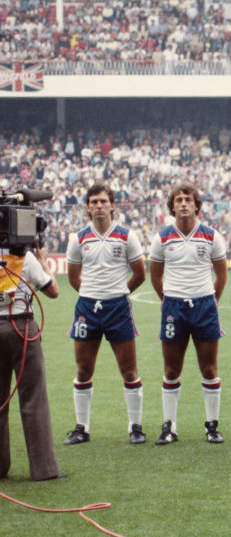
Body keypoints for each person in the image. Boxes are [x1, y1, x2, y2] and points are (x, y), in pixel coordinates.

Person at [62, 183, 148, 446]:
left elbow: (140, 274)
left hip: (118, 309)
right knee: (84, 368)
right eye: (93, 202)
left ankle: (135, 427)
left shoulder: (126, 236)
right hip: (87, 309)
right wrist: (92, 294)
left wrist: (118, 293)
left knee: (129, 371)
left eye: (103, 201)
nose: (99, 206)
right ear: (87, 207)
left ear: (113, 205)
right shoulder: (78, 239)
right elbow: (74, 278)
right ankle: (82, 428)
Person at [148, 183, 228, 444]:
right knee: (171, 370)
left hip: (204, 306)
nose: (183, 203)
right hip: (174, 307)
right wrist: (168, 299)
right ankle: (170, 427)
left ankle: (212, 426)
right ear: (172, 207)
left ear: (196, 205)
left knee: (209, 368)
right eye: (178, 200)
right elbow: (156, 276)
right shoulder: (161, 238)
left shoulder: (212, 236)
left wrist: (212, 300)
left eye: (188, 199)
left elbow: (222, 275)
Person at [0, 246, 64, 481]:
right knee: (33, 399)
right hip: (21, 329)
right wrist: (44, 261)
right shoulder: (24, 257)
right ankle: (44, 469)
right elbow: (53, 291)